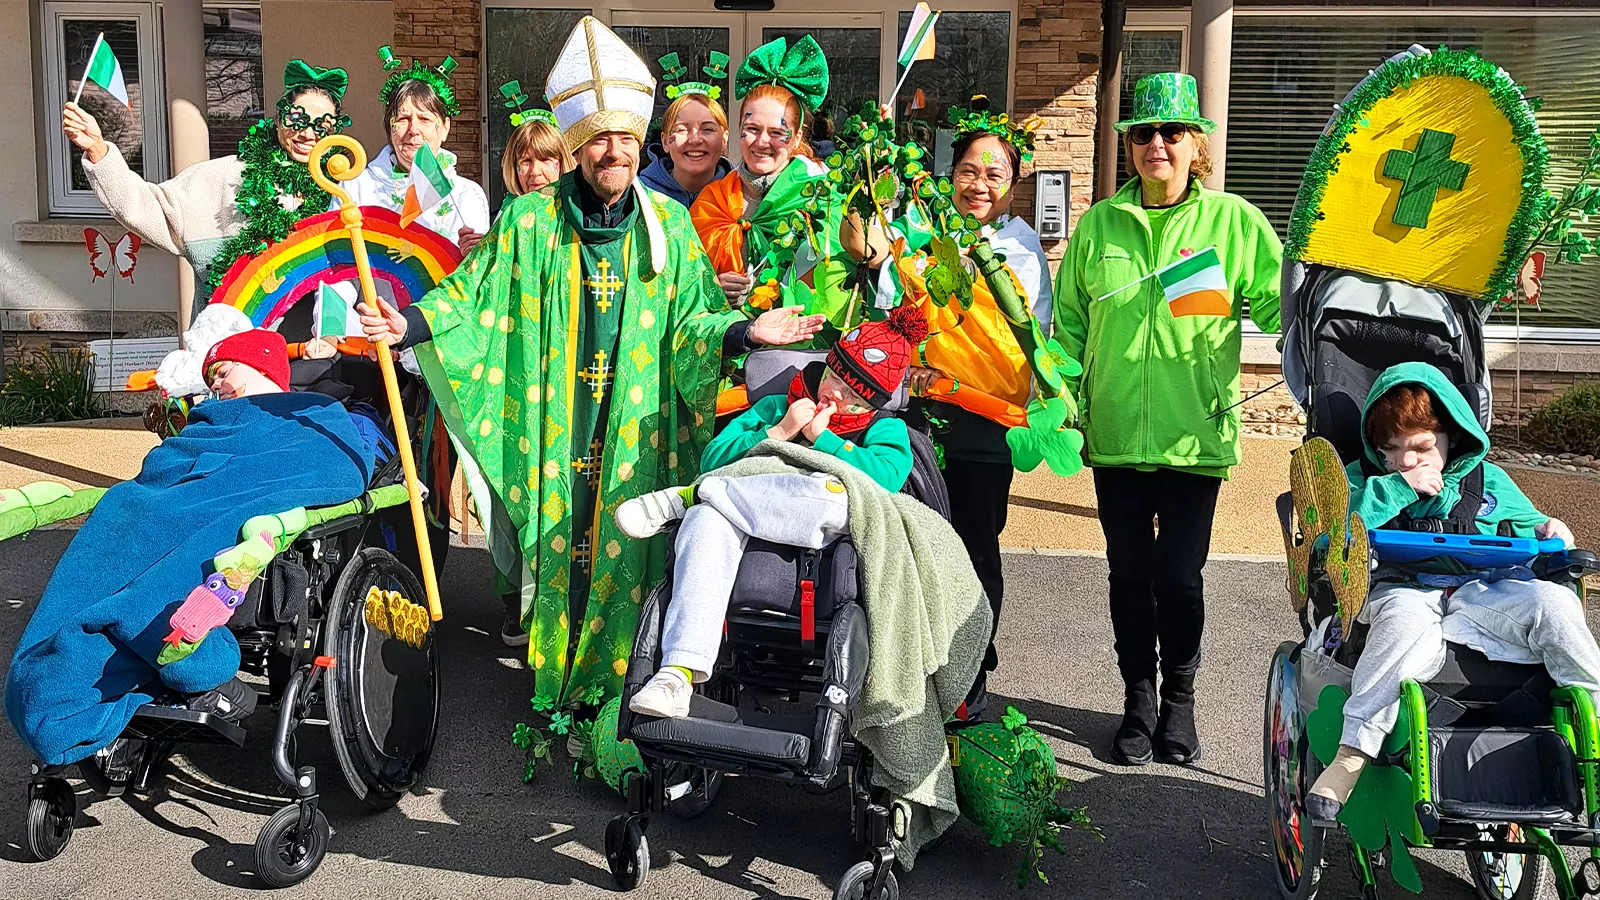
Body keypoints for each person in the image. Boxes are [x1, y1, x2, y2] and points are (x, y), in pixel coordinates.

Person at [358, 17, 825, 708]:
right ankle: (555, 667)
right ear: (576, 145)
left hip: (633, 425)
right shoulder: (531, 221)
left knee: (625, 537)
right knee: (559, 537)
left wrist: (747, 332)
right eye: (599, 138)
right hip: (556, 424)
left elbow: (695, 315)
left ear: (642, 144)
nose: (614, 151)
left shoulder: (667, 225)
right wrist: (410, 321)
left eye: (626, 139)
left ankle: (621, 676)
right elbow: (473, 298)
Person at [6, 329, 373, 765]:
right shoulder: (207, 424)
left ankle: (137, 636)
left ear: (262, 364)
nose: (215, 385)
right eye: (210, 379)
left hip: (224, 502)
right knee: (122, 506)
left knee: (166, 533)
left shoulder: (311, 418)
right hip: (157, 506)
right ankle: (93, 641)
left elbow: (343, 467)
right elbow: (162, 470)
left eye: (222, 371)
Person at [1055, 73, 1283, 766]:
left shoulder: (1234, 224)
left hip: (1195, 436)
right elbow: (1065, 328)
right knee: (1129, 575)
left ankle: (1180, 697)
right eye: (1144, 133)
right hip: (1117, 436)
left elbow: (1280, 307)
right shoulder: (1099, 226)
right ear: (1130, 148)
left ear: (1196, 147)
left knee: (1179, 578)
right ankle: (1137, 698)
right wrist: (1062, 405)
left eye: (1171, 133)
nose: (1157, 143)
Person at [1304, 363, 1591, 821]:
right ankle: (1351, 756)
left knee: (1555, 605)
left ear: (1451, 437)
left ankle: (1593, 727)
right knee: (1403, 622)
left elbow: (1533, 528)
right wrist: (1397, 488)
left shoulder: (1485, 481)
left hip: (1479, 591)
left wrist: (1550, 528)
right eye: (1391, 450)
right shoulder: (1364, 480)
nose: (1406, 459)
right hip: (1402, 588)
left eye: (1420, 447)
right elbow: (1333, 530)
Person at [843, 97, 1053, 716]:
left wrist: (968, 269)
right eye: (968, 171)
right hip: (917, 414)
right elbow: (892, 301)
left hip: (984, 420)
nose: (979, 184)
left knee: (975, 543)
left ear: (1013, 184)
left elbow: (1017, 332)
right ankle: (911, 661)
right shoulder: (924, 235)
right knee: (911, 537)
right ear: (948, 173)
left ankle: (971, 667)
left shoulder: (1019, 248)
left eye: (994, 174)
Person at [619, 306, 925, 716]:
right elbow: (713, 459)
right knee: (707, 518)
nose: (836, 395)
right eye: (835, 379)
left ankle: (688, 497)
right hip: (746, 523)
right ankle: (675, 674)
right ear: (827, 366)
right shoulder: (779, 405)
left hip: (823, 524)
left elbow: (884, 480)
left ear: (872, 402)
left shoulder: (884, 429)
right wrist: (779, 433)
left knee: (828, 492)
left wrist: (827, 441)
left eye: (853, 396)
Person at [64, 60, 351, 304]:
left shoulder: (345, 192)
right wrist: (99, 150)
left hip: (316, 359)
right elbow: (144, 206)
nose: (307, 134)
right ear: (277, 118)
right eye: (298, 120)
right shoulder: (223, 178)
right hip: (230, 358)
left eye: (322, 126)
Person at [691, 36, 844, 323]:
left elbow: (838, 275)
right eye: (751, 128)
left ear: (797, 137)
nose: (762, 142)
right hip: (731, 351)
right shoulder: (711, 201)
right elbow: (684, 283)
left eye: (777, 132)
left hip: (802, 351)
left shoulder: (823, 195)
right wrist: (713, 288)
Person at [340, 47, 490, 255]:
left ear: (445, 127)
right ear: (389, 127)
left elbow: (474, 278)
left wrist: (476, 257)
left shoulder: (466, 195)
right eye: (403, 119)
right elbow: (340, 266)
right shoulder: (357, 186)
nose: (413, 130)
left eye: (425, 119)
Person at [638, 53, 733, 209]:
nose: (695, 139)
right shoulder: (640, 197)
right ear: (665, 141)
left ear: (724, 139)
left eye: (708, 129)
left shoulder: (742, 197)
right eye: (682, 129)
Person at [499, 102, 571, 202]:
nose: (535, 172)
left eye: (545, 159)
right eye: (526, 161)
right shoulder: (507, 214)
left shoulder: (579, 211)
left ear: (563, 161)